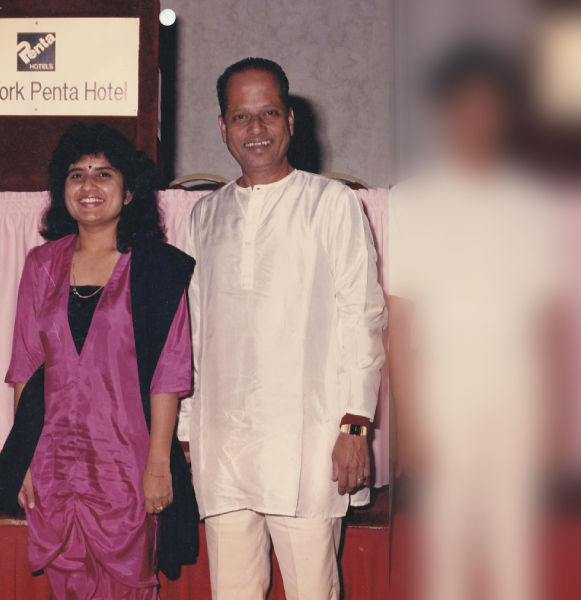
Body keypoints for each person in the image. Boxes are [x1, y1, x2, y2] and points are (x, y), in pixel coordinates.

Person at [179, 57, 387, 600]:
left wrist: (355, 427)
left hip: (310, 443)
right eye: (241, 117)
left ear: (291, 119)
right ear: (222, 128)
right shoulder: (205, 217)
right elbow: (191, 334)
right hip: (222, 444)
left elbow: (362, 317)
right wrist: (184, 430)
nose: (256, 129)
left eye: (268, 113)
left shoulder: (332, 204)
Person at [0, 123, 198, 599]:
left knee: (129, 585)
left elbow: (169, 374)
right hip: (54, 462)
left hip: (126, 462)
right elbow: (26, 365)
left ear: (128, 192)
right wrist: (23, 459)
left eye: (104, 174)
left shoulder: (156, 269)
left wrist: (158, 465)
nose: (89, 186)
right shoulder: (42, 264)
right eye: (76, 174)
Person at [387, 46, 562, 600]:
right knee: (447, 561)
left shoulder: (536, 201)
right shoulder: (412, 200)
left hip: (517, 390)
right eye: (463, 107)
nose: (475, 120)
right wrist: (410, 425)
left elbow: (551, 320)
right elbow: (398, 322)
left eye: (488, 107)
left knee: (516, 557)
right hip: (444, 387)